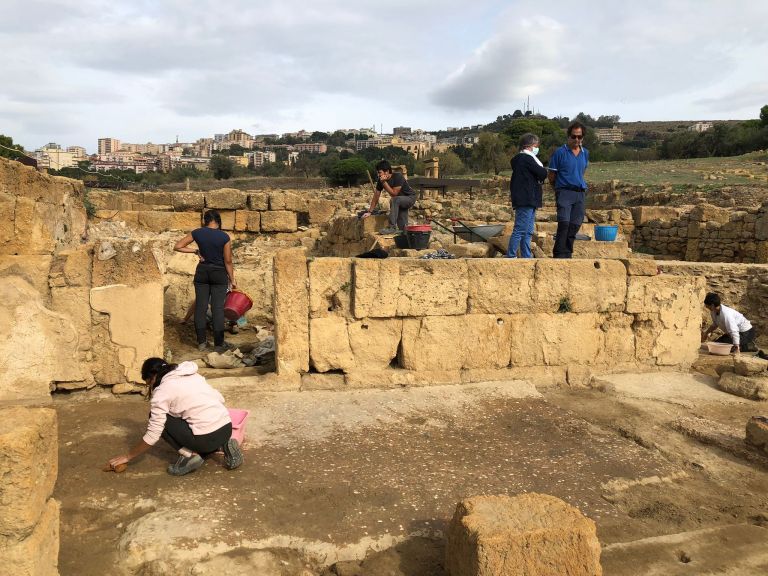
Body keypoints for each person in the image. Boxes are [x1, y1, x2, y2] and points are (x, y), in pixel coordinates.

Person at [106, 358, 243, 476]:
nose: (150, 386)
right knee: (190, 416)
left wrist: (128, 456)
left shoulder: (163, 391)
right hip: (226, 428)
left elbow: (154, 433)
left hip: (205, 439)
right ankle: (223, 444)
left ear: (153, 377)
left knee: (159, 420)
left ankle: (191, 455)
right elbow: (220, 398)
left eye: (149, 383)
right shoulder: (192, 374)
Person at [174, 210, 236, 352]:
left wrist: (195, 251)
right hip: (219, 274)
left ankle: (201, 343)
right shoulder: (224, 237)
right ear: (218, 221)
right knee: (217, 308)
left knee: (201, 307)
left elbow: (177, 246)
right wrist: (232, 279)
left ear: (205, 221)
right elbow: (228, 260)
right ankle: (219, 345)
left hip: (202, 272)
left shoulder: (197, 232)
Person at [548, 121, 589, 258]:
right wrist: (559, 190)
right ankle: (559, 254)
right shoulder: (559, 152)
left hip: (580, 193)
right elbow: (552, 176)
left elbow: (581, 172)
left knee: (575, 224)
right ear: (568, 136)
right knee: (564, 223)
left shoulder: (585, 153)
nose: (576, 139)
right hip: (564, 191)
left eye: (579, 137)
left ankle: (567, 252)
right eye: (574, 136)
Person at [507, 133, 548, 258]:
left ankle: (526, 256)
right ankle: (511, 255)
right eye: (536, 145)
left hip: (529, 199)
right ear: (531, 145)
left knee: (528, 231)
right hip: (526, 198)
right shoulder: (526, 159)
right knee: (520, 229)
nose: (537, 148)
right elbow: (542, 173)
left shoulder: (520, 160)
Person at [361, 160, 416, 233]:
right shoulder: (380, 180)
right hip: (399, 201)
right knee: (403, 227)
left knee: (394, 200)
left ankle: (392, 227)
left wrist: (384, 182)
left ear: (386, 171)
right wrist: (370, 212)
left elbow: (394, 194)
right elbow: (376, 196)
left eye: (380, 172)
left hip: (410, 198)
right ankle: (404, 236)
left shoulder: (398, 176)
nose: (378, 175)